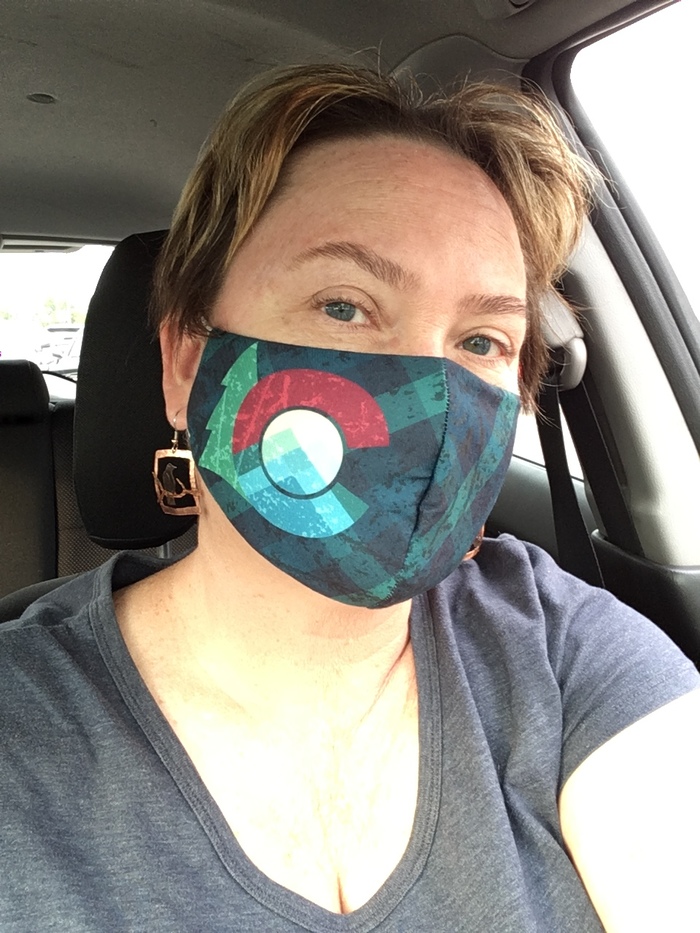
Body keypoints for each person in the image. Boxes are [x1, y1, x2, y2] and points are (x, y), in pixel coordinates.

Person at [1, 64, 698, 932]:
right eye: (343, 306)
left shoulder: (568, 656)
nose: (427, 396)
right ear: (187, 362)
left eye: (482, 339)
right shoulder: (22, 727)